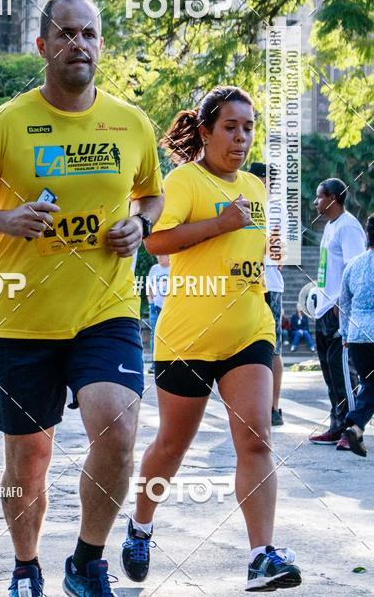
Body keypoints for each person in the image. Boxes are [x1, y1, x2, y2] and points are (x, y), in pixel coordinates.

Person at [0, 0, 164, 597]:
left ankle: (87, 561)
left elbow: (151, 194)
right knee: (29, 460)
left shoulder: (131, 122)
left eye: (88, 33)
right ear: (42, 45)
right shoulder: (6, 124)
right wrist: (2, 221)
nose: (77, 44)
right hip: (22, 319)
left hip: (105, 310)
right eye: (64, 34)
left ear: (101, 44)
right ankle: (26, 567)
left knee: (116, 428)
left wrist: (140, 225)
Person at [120, 85, 301, 593]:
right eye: (230, 127)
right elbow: (154, 242)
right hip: (187, 337)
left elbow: (253, 257)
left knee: (256, 439)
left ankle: (261, 555)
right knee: (172, 446)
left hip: (249, 331)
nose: (241, 137)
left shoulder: (258, 188)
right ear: (205, 132)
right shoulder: (184, 181)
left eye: (249, 128)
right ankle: (141, 524)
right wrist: (220, 224)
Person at [309, 179, 366, 446]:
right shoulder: (330, 227)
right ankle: (335, 423)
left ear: (332, 198)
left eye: (319, 197)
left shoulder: (349, 226)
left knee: (343, 373)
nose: (315, 202)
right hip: (322, 309)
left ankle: (350, 429)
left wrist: (342, 305)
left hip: (337, 311)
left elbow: (355, 268)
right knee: (330, 375)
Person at [247, 162, 286, 427]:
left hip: (269, 284)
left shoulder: (276, 209)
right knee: (246, 348)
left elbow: (277, 250)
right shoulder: (242, 204)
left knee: (272, 348)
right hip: (246, 282)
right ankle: (251, 406)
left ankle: (273, 408)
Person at [339, 213, 374, 457]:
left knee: (369, 383)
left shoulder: (354, 264)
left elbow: (344, 302)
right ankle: (355, 424)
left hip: (356, 336)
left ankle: (354, 427)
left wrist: (343, 333)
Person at [146, 255, 170, 374]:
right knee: (155, 334)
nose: (159, 258)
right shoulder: (154, 269)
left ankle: (169, 361)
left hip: (170, 307)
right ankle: (155, 363)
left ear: (169, 256)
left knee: (171, 334)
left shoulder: (174, 268)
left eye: (162, 255)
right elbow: (149, 287)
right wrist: (151, 303)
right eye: (158, 256)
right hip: (155, 307)